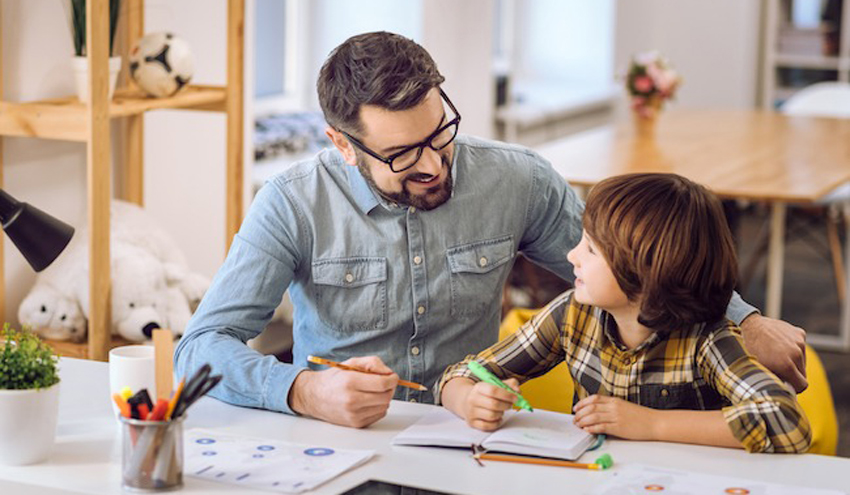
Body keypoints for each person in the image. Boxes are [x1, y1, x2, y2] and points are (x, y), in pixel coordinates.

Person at [174, 31, 807, 429]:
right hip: (342, 447)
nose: (430, 164)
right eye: (400, 156)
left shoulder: (517, 180)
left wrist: (746, 320)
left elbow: (637, 265)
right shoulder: (290, 203)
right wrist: (305, 391)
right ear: (342, 144)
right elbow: (199, 347)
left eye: (438, 134)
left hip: (471, 444)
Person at [438, 173, 811, 453]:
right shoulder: (571, 315)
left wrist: (652, 424)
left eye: (591, 250)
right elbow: (462, 372)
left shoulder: (708, 339)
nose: (571, 256)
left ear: (646, 276)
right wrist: (468, 400)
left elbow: (788, 421)